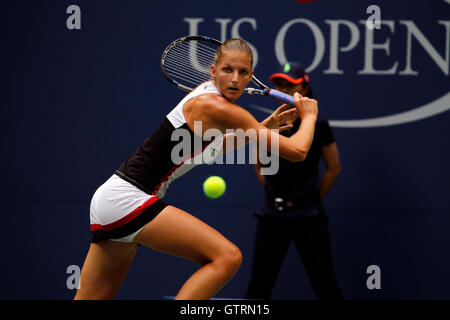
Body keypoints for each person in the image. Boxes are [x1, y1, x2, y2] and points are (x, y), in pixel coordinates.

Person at [74, 40, 319, 300]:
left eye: (243, 72)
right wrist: (310, 116)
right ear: (213, 71)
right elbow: (297, 151)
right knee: (227, 257)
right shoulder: (218, 107)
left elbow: (208, 148)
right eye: (227, 70)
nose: (235, 79)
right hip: (129, 200)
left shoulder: (206, 94)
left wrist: (261, 129)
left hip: (110, 200)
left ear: (251, 76)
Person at [245, 62, 343, 300]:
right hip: (272, 215)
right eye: (279, 84)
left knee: (326, 286)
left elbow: (333, 168)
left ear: (305, 89)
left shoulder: (318, 125)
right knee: (258, 288)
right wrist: (272, 192)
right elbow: (259, 164)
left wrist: (312, 199)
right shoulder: (269, 123)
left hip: (309, 216)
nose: (283, 89)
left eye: (290, 85)